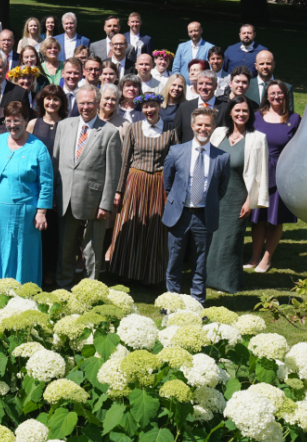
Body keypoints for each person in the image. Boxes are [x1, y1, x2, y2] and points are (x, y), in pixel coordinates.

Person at [0, 102, 53, 283]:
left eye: (17, 121)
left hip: (22, 214)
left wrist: (41, 212)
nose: (12, 125)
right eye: (8, 121)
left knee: (17, 252)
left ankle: (18, 290)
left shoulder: (38, 148)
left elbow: (46, 183)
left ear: (26, 121)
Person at [52, 87, 123, 287]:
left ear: (98, 103)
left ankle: (90, 287)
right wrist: (55, 195)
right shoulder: (64, 125)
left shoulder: (110, 132)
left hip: (94, 200)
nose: (85, 107)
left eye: (90, 103)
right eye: (82, 103)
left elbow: (112, 172)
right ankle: (63, 285)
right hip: (65, 197)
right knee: (65, 247)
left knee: (92, 248)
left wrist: (106, 204)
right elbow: (56, 163)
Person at [106, 93, 179, 287]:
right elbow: (124, 160)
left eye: (153, 106)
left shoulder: (171, 129)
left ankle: (152, 273)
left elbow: (176, 161)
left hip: (159, 183)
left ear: (159, 107)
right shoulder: (134, 128)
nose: (149, 110)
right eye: (146, 107)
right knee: (131, 225)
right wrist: (118, 190)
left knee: (156, 228)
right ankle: (127, 271)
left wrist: (174, 189)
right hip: (135, 180)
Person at [161, 108, 230, 305]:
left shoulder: (222, 158)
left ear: (213, 127)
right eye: (199, 124)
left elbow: (221, 188)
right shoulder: (176, 152)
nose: (203, 128)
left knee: (200, 262)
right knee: (174, 260)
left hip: (204, 216)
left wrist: (206, 203)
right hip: (179, 214)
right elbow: (169, 183)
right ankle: (171, 303)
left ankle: (198, 302)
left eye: (207, 125)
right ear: (192, 126)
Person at [206, 96, 269, 293]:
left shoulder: (257, 138)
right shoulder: (218, 133)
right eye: (237, 110)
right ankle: (208, 278)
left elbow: (261, 172)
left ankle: (227, 283)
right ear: (230, 113)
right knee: (212, 239)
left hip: (237, 197)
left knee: (230, 241)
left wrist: (250, 200)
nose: (241, 114)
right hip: (215, 196)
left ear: (250, 115)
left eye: (245, 111)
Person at [248, 80, 302, 273]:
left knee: (274, 218)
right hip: (257, 172)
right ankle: (254, 257)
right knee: (258, 217)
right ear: (266, 96)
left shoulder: (294, 119)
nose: (276, 96)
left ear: (286, 95)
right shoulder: (255, 117)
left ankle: (267, 258)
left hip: (280, 172)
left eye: (280, 93)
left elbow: (300, 148)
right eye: (273, 93)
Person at [175, 71, 220, 143]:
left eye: (208, 84)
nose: (204, 87)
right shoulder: (184, 107)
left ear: (215, 86)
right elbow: (176, 136)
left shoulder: (225, 108)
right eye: (201, 83)